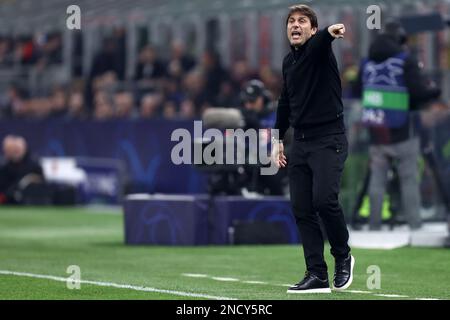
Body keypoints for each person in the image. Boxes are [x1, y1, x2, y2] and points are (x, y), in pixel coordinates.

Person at [271, 4, 354, 293]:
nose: (295, 25)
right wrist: (277, 139)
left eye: (302, 21)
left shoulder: (319, 51)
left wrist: (330, 33)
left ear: (313, 29)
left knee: (324, 201)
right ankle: (317, 274)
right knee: (302, 209)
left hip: (329, 139)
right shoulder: (288, 62)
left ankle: (343, 256)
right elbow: (284, 101)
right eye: (291, 22)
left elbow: (321, 42)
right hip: (301, 144)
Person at [353, 20, 441, 230]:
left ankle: (374, 226)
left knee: (377, 181)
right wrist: (435, 92)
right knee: (409, 180)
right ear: (400, 40)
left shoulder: (366, 62)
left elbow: (356, 91)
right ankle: (415, 226)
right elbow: (418, 93)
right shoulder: (405, 61)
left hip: (376, 131)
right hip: (404, 131)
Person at [240, 79, 286, 196]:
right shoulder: (243, 119)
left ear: (262, 98)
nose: (249, 105)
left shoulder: (277, 115)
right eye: (247, 101)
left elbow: (289, 141)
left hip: (274, 164)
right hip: (248, 164)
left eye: (253, 101)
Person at [0, 135, 44, 204]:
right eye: (15, 150)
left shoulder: (34, 165)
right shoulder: (5, 167)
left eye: (18, 149)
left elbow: (42, 181)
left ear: (24, 148)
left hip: (32, 200)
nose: (16, 152)